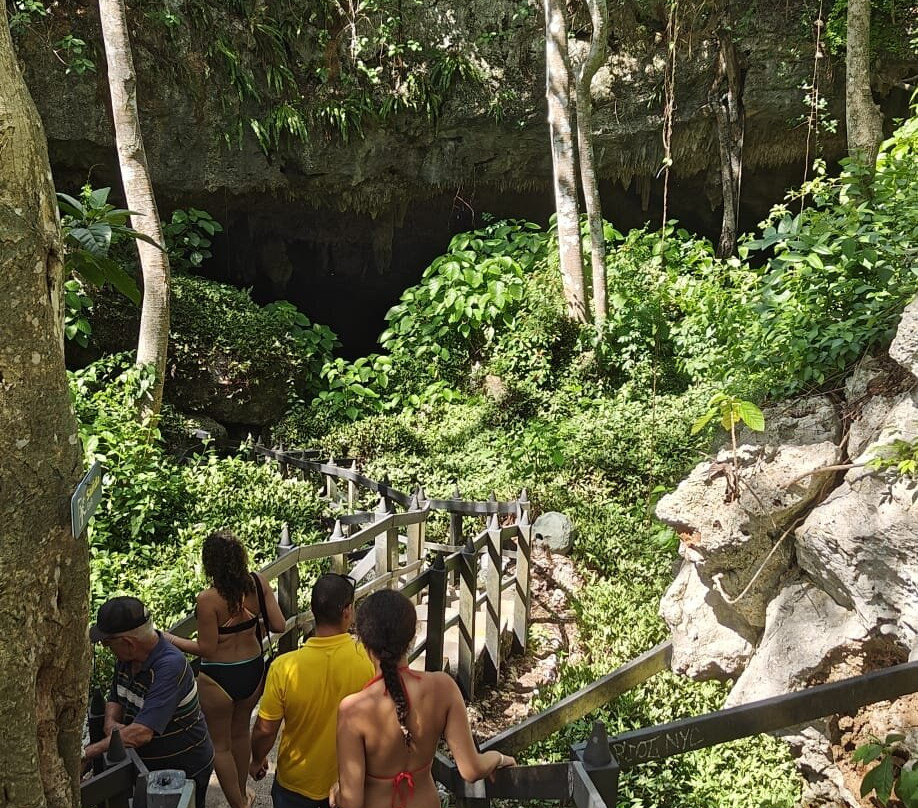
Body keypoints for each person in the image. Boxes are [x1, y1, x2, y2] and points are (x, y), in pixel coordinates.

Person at [332, 589, 516, 808]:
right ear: (413, 635)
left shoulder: (353, 710)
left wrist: (340, 791)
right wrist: (499, 758)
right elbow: (471, 769)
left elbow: (351, 804)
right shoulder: (443, 687)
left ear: (363, 642)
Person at [164, 530, 286, 808]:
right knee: (241, 732)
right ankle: (242, 795)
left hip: (219, 675)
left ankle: (238, 804)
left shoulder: (208, 600)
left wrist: (169, 638)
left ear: (210, 563)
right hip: (253, 670)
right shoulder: (258, 583)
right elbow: (278, 625)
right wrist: (249, 628)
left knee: (220, 745)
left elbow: (206, 648)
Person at [250, 573, 374, 808]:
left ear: (313, 610)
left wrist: (257, 759)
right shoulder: (366, 660)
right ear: (348, 611)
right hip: (348, 783)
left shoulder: (284, 667)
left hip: (295, 784)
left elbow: (265, 730)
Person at [83, 596, 215, 808]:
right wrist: (110, 724)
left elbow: (142, 733)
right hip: (146, 767)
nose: (106, 648)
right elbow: (115, 698)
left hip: (183, 770)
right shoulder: (127, 659)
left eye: (107, 643)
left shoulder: (169, 667)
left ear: (127, 642)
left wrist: (87, 753)